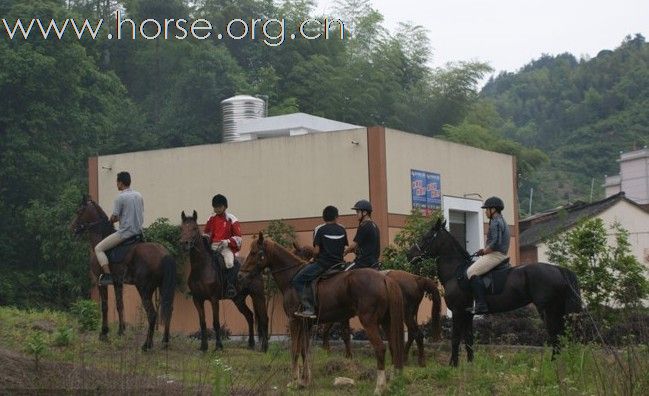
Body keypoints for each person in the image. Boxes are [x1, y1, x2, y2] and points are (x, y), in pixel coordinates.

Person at [293, 205, 348, 318]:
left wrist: (313, 257)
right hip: (339, 264)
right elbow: (343, 248)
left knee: (298, 280)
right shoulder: (342, 229)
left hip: (324, 265)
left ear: (324, 218)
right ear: (336, 217)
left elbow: (317, 251)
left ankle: (309, 308)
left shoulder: (321, 230)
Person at [95, 171, 144, 286]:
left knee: (98, 249)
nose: (116, 184)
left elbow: (115, 217)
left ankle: (108, 276)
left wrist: (111, 220)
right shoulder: (138, 195)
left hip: (125, 233)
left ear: (120, 183)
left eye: (117, 182)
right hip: (140, 232)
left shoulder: (120, 197)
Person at [466, 196, 510, 314]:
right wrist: (484, 250)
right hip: (498, 253)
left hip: (496, 255)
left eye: (487, 209)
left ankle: (481, 305)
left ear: (493, 209)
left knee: (471, 272)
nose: (485, 212)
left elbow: (496, 242)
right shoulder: (501, 219)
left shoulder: (496, 221)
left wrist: (485, 251)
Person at [204, 194, 242, 299]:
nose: (217, 209)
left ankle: (230, 286)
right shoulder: (211, 219)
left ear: (225, 206)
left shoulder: (231, 219)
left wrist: (227, 242)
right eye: (215, 207)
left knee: (229, 262)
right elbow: (206, 233)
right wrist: (205, 240)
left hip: (226, 247)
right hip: (213, 246)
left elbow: (239, 238)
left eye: (219, 207)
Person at [344, 199, 380, 270]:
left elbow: (354, 245)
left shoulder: (364, 225)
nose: (356, 214)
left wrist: (345, 252)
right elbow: (365, 247)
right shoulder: (374, 225)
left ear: (365, 212)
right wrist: (350, 251)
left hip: (363, 263)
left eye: (358, 212)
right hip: (374, 262)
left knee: (343, 274)